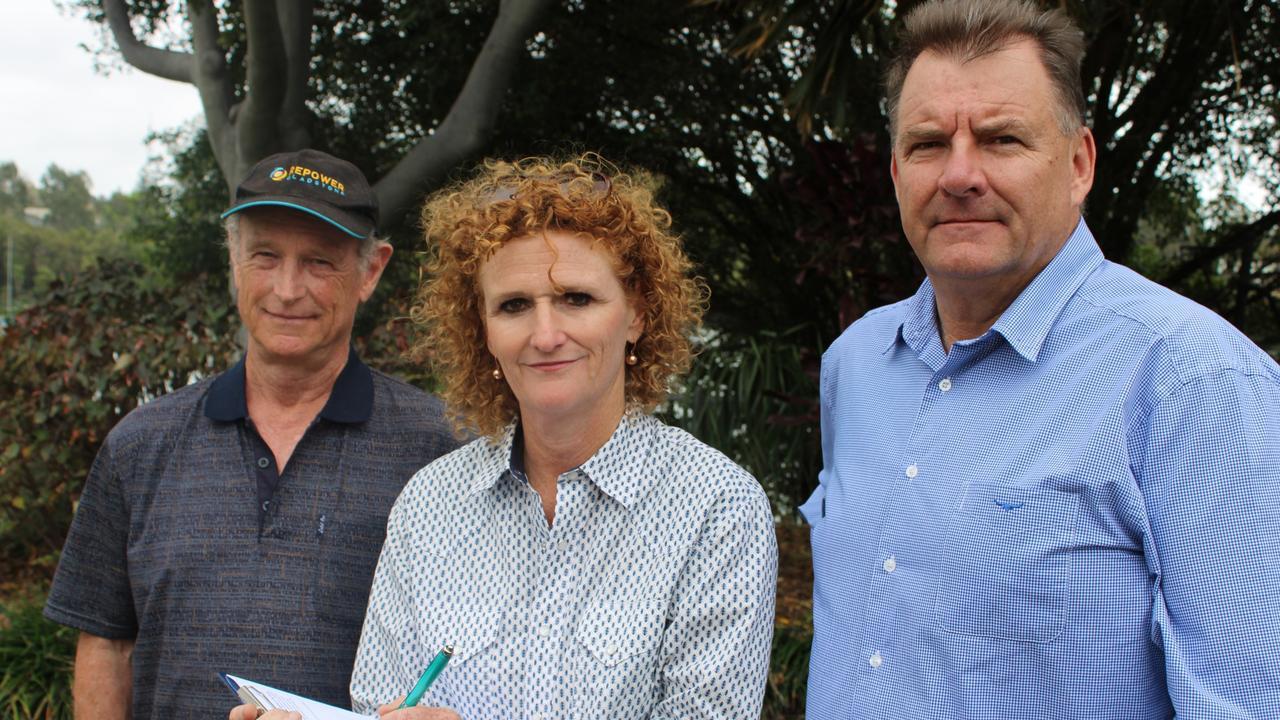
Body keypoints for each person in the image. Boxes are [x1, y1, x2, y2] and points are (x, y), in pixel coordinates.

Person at [802, 0, 1280, 717]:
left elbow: (1245, 700)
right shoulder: (857, 367)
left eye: (1000, 140)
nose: (960, 175)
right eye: (929, 144)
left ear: (1080, 162)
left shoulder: (1189, 376)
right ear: (897, 170)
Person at [341, 154, 778, 719]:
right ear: (484, 330)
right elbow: (375, 705)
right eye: (515, 305)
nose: (546, 335)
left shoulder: (716, 508)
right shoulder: (429, 505)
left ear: (638, 313)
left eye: (577, 298)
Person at [44, 148, 458, 719]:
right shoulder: (139, 444)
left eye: (319, 262)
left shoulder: (441, 448)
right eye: (265, 255)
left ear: (371, 270)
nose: (287, 289)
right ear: (233, 259)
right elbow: (106, 641)